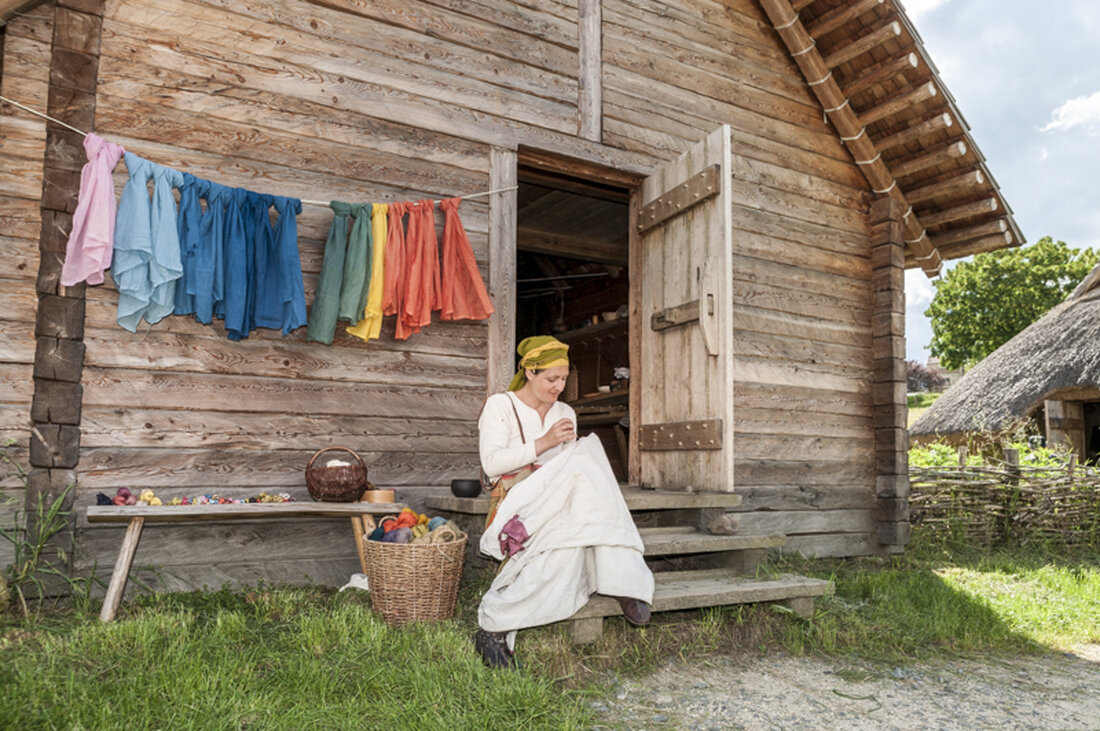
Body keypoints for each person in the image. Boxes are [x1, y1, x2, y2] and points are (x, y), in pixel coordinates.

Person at [473, 335, 655, 669]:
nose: (559, 386)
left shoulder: (564, 411)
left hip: (564, 496)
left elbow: (569, 464)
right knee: (587, 473)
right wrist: (543, 443)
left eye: (564, 379)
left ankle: (623, 581)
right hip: (520, 500)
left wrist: (573, 450)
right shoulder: (501, 406)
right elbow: (492, 464)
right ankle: (495, 626)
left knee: (586, 466)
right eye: (551, 379)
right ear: (529, 372)